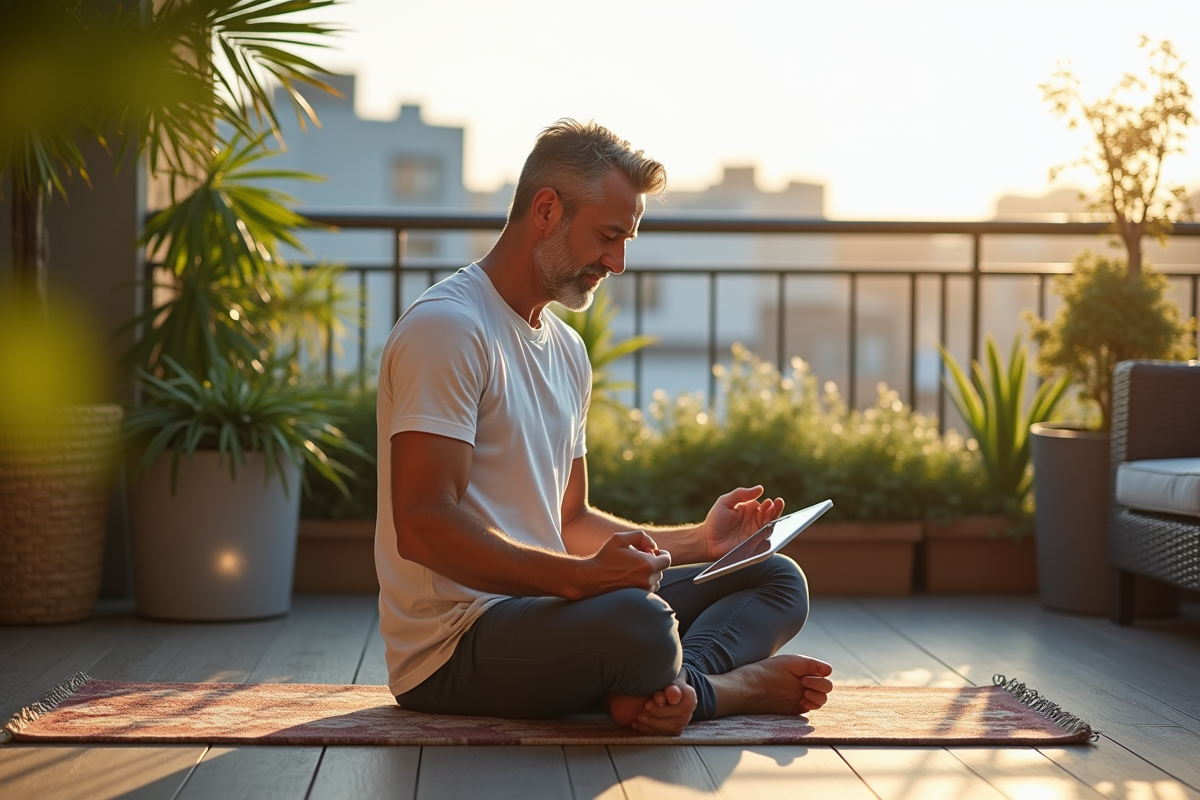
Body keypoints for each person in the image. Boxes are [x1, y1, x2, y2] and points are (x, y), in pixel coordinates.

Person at [375, 120, 833, 735]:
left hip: (551, 609)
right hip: (456, 647)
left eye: (627, 240)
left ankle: (676, 688)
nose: (617, 262)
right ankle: (725, 688)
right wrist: (581, 580)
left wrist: (702, 543)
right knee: (638, 625)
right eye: (608, 236)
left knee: (774, 576)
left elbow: (570, 522)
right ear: (546, 210)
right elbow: (424, 527)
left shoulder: (566, 349)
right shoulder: (449, 329)